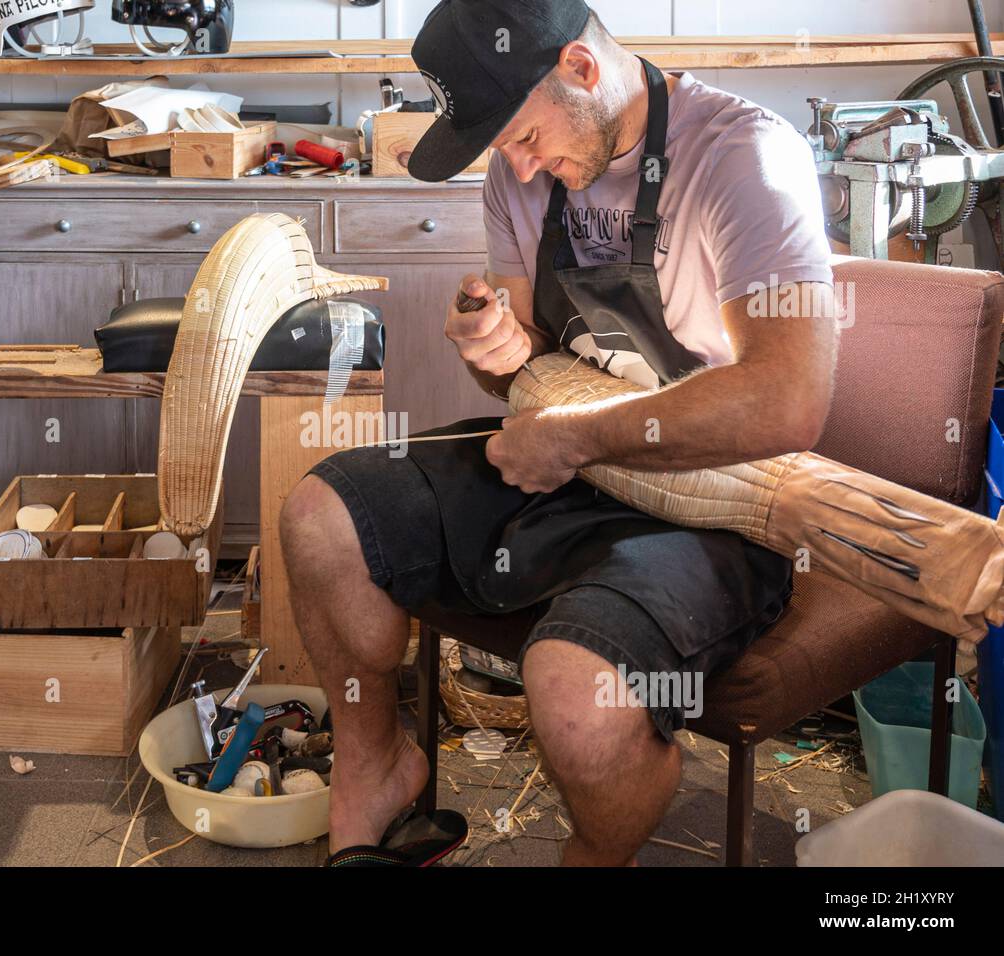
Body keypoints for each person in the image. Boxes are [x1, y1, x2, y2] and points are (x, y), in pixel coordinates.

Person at [281, 0, 836, 866]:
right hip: (567, 464)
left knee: (575, 701)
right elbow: (525, 361)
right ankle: (374, 767)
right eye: (501, 144)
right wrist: (493, 347)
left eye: (522, 133)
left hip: (713, 498)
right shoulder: (524, 170)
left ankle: (595, 849)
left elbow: (788, 398)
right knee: (320, 518)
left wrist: (575, 437)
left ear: (580, 67)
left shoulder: (743, 158)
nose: (517, 162)